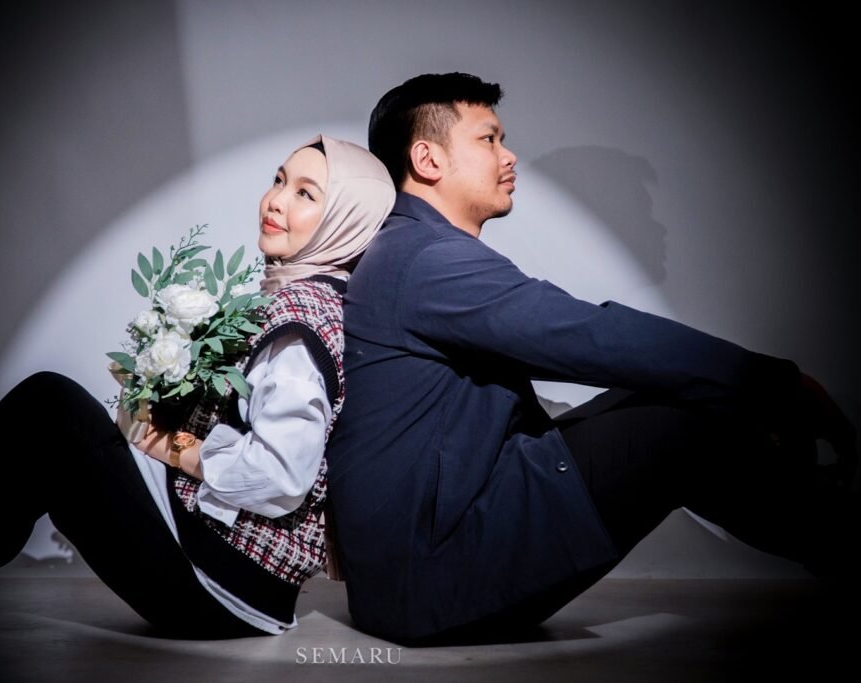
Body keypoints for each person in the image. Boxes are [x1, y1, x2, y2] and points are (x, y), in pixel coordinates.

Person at [323, 72, 860, 644]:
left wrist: (751, 396)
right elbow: (591, 337)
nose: (508, 155)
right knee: (681, 418)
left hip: (414, 577)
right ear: (427, 159)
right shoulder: (428, 260)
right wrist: (779, 385)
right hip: (433, 582)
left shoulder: (408, 250)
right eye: (488, 139)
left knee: (680, 392)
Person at [0, 134, 395, 644]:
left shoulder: (301, 328)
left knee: (53, 409)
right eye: (278, 180)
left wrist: (170, 447)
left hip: (226, 582)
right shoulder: (295, 298)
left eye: (306, 194)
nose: (276, 200)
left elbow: (282, 475)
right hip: (213, 549)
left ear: (344, 221)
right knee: (52, 419)